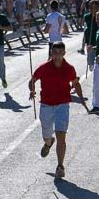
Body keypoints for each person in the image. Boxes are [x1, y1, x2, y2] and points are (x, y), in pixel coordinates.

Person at [28, 40, 85, 179]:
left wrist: (81, 98)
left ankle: (60, 166)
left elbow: (75, 84)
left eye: (60, 53)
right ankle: (48, 143)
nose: (58, 56)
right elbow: (32, 80)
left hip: (62, 105)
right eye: (55, 53)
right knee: (47, 135)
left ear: (64, 53)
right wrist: (32, 90)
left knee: (61, 136)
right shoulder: (44, 67)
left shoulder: (69, 68)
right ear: (51, 53)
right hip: (46, 105)